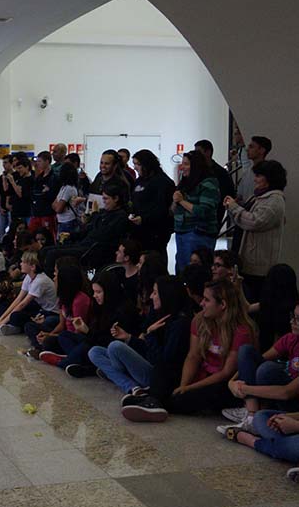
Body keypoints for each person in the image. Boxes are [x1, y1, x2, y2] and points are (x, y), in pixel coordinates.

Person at [122, 279, 257, 422]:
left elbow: (226, 373)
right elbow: (193, 356)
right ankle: (154, 400)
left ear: (222, 305)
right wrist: (184, 385)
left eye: (206, 300)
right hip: (201, 374)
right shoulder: (200, 320)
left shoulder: (241, 331)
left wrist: (189, 389)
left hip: (222, 383)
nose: (201, 304)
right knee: (164, 366)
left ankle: (156, 400)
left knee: (199, 396)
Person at [91, 275, 192, 398]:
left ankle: (121, 379)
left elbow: (163, 362)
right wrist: (128, 337)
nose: (151, 296)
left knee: (114, 347)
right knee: (95, 352)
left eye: (155, 293)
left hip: (157, 375)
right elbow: (144, 346)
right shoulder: (158, 313)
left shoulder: (179, 325)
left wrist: (150, 335)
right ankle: (131, 385)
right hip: (146, 361)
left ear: (166, 296)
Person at [220, 302, 299, 436]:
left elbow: (287, 393)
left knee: (267, 369)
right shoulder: (291, 338)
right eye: (293, 316)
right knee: (246, 351)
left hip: (293, 403)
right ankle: (252, 415)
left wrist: (244, 389)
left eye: (298, 319)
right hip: (277, 394)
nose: (292, 321)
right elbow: (253, 361)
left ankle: (254, 414)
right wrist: (232, 382)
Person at [223, 159, 286, 301]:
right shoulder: (258, 196)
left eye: (258, 176)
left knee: (253, 300)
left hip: (259, 267)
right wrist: (234, 206)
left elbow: (254, 222)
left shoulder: (274, 201)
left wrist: (234, 207)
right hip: (248, 261)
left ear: (270, 178)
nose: (255, 179)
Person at [40, 183, 130, 276]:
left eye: (106, 199)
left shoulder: (120, 217)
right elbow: (88, 230)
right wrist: (71, 235)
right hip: (83, 244)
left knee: (52, 254)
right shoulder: (103, 213)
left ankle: (49, 285)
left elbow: (103, 234)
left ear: (116, 199)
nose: (103, 202)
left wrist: (95, 215)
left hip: (94, 250)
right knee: (44, 251)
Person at [172, 150, 220, 274]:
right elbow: (174, 210)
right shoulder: (185, 183)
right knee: (182, 270)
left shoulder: (208, 183)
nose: (182, 167)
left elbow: (203, 211)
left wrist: (182, 201)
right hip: (181, 231)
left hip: (199, 233)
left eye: (186, 164)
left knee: (195, 271)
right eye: (182, 164)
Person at [0, 251, 57, 335]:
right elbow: (19, 299)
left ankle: (16, 327)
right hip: (40, 307)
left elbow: (23, 304)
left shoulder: (40, 281)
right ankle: (13, 326)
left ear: (32, 267)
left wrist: (2, 322)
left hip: (51, 312)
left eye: (23, 262)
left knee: (16, 316)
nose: (20, 264)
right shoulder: (28, 276)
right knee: (4, 306)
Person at [128, 149, 175, 253]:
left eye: (138, 164)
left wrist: (144, 218)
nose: (135, 167)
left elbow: (161, 207)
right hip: (139, 229)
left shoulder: (162, 182)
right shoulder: (140, 180)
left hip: (156, 231)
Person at [195, 139, 236, 228]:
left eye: (198, 152)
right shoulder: (195, 172)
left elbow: (229, 193)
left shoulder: (221, 173)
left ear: (208, 152)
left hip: (214, 215)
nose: (196, 155)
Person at [236, 135, 272, 204]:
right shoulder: (247, 172)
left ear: (262, 150)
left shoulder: (269, 173)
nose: (247, 149)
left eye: (251, 147)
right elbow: (240, 196)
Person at [28, 151, 56, 234]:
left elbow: (54, 194)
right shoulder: (39, 177)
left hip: (47, 211)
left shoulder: (53, 177)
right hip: (37, 211)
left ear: (47, 161)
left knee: (48, 234)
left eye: (40, 161)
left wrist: (48, 191)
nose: (37, 164)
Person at [52, 162, 80, 235]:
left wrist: (57, 205)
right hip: (62, 221)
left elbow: (58, 209)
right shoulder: (63, 187)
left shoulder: (69, 189)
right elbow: (53, 204)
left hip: (67, 221)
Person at [7, 155, 33, 229]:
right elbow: (9, 191)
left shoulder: (31, 180)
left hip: (26, 212)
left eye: (20, 168)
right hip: (16, 211)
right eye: (17, 168)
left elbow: (21, 194)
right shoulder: (19, 179)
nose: (18, 170)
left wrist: (12, 182)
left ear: (27, 167)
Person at [113, 239, 142, 306]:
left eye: (119, 252)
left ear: (126, 258)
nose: (116, 252)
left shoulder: (138, 278)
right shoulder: (119, 273)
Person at [0, 154, 13, 242]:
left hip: (11, 207)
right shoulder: (1, 177)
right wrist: (0, 207)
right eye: (3, 163)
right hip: (2, 207)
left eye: (6, 163)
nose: (3, 165)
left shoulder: (15, 176)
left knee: (11, 229)